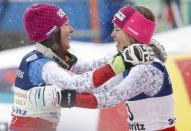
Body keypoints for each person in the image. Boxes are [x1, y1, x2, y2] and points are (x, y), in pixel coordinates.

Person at [8, 3, 156, 131]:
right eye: (65, 25)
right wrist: (124, 61)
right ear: (53, 33)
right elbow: (79, 85)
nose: (71, 29)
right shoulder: (42, 65)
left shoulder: (52, 55)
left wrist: (132, 53)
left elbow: (87, 67)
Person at [41, 5, 175, 131]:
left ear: (132, 33)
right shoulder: (131, 59)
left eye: (117, 29)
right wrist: (54, 52)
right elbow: (84, 69)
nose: (112, 34)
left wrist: (61, 98)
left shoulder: (147, 68)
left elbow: (109, 98)